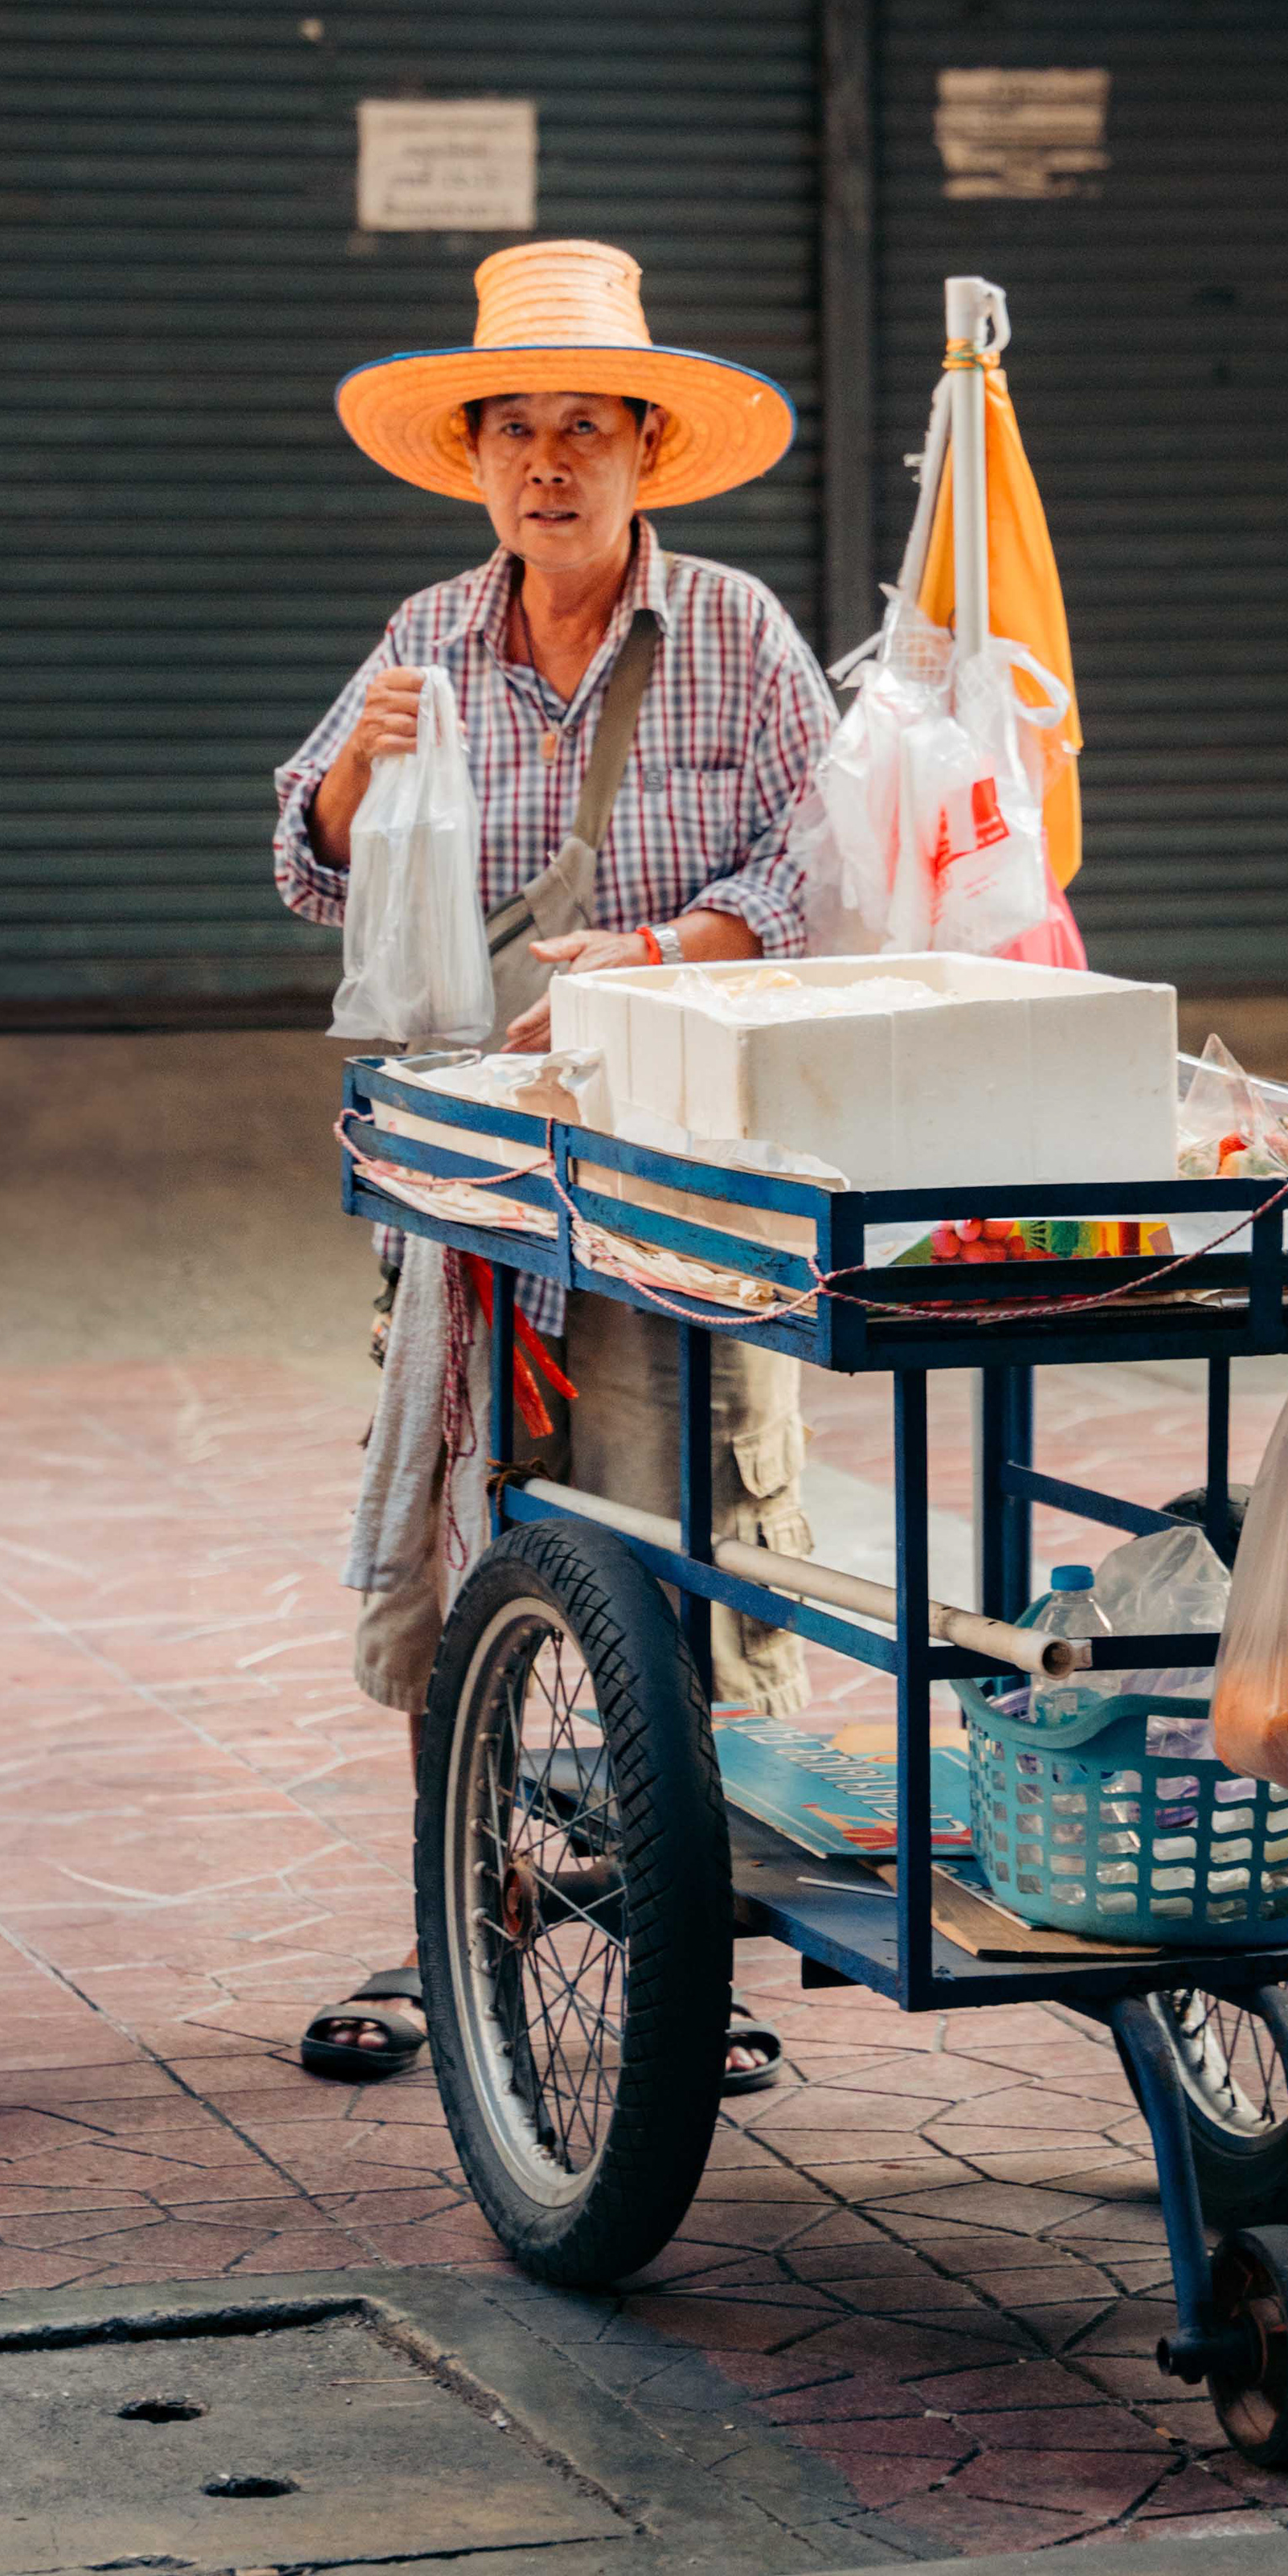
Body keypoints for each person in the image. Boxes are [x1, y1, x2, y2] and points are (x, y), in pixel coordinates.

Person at [273, 237, 831, 2084]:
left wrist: (662, 956)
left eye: (586, 426)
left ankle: (677, 1951)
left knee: (671, 1547)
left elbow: (819, 873)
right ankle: (465, 1922)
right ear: (478, 458)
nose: (548, 461)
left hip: (688, 1179)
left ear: (645, 452)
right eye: (515, 429)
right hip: (476, 1190)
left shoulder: (741, 634)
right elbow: (305, 865)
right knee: (467, 1539)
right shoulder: (428, 633)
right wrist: (357, 772)